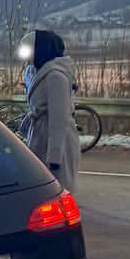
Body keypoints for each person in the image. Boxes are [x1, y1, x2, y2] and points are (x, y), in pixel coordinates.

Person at [20, 29, 80, 193]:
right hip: (41, 135)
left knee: (58, 190)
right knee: (43, 189)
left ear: (40, 49)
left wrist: (54, 156)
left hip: (56, 141)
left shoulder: (56, 77)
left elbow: (58, 120)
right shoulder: (35, 72)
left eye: (28, 48)